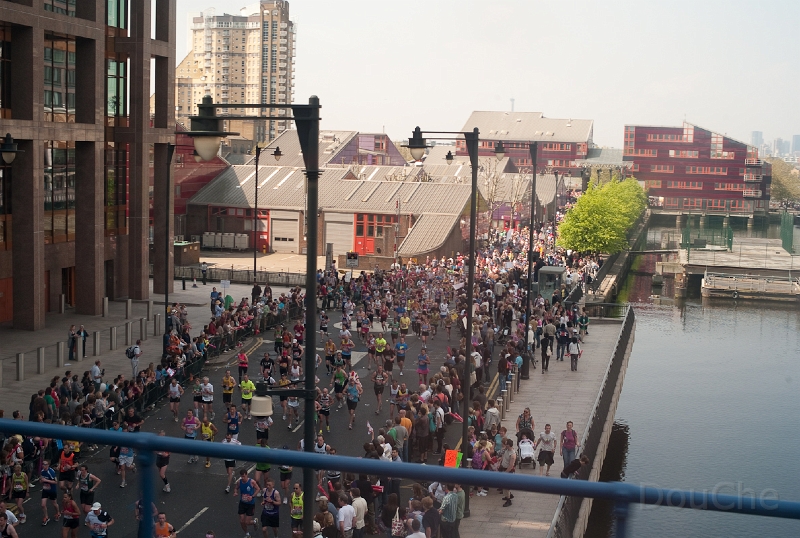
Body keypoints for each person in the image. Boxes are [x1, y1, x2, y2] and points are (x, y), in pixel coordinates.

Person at [234, 468, 260, 538]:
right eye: (241, 476)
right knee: (242, 521)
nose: (242, 478)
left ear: (247, 475)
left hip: (250, 504)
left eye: (244, 476)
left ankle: (254, 522)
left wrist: (252, 496)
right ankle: (247, 533)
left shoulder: (252, 482)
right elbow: (236, 488)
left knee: (247, 522)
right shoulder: (239, 482)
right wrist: (235, 492)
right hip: (242, 503)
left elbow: (258, 489)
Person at [40, 460, 59, 525]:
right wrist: (42, 481)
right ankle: (46, 517)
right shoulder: (42, 471)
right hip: (45, 490)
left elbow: (56, 482)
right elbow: (41, 479)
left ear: (48, 465)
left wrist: (46, 480)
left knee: (54, 503)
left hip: (52, 490)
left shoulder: (51, 472)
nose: (43, 466)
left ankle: (57, 512)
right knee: (43, 505)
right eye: (43, 464)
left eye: (45, 464)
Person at [499, 439, 517, 507]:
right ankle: (508, 495)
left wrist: (506, 472)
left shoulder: (512, 455)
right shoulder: (507, 450)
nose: (504, 445)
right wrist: (500, 461)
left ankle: (508, 500)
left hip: (508, 471)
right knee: (504, 485)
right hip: (503, 468)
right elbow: (503, 456)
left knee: (506, 486)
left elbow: (511, 465)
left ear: (509, 445)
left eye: (506, 444)